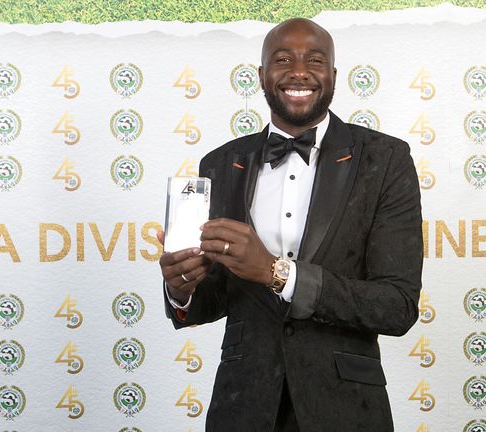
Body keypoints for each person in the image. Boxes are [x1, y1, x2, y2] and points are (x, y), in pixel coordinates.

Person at [157, 17, 423, 432]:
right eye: (283, 59)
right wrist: (182, 289)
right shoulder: (221, 164)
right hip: (242, 406)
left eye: (314, 60)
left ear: (332, 76)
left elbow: (397, 306)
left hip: (347, 409)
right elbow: (216, 300)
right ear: (262, 76)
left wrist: (275, 272)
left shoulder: (384, 159)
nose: (299, 71)